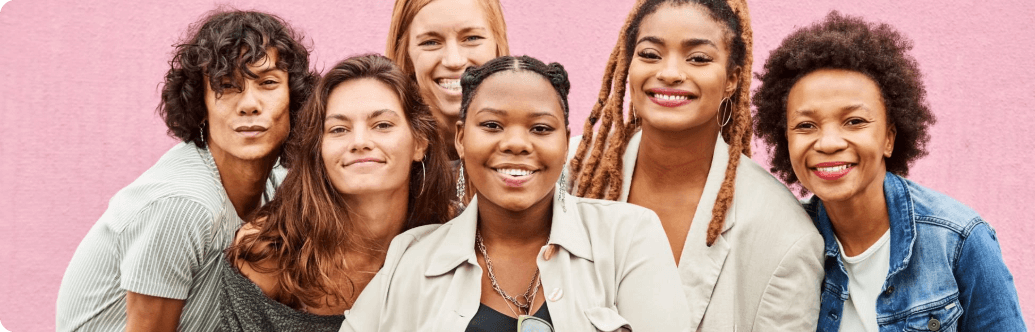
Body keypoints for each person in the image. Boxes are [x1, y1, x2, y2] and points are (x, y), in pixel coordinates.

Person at [341, 55, 689, 332]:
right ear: (461, 138)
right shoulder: (412, 258)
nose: (517, 144)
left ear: (566, 141)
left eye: (540, 128)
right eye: (492, 125)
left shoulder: (628, 238)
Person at [751, 11, 1027, 331]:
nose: (827, 142)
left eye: (854, 121)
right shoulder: (783, 243)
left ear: (889, 138)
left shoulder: (958, 240)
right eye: (805, 125)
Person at [567, 0, 824, 330]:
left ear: (731, 79)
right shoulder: (569, 177)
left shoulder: (785, 237)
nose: (670, 73)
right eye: (649, 54)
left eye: (698, 58)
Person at [55, 10, 318, 331]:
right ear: (201, 105)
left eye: (267, 83)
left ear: (293, 98)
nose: (250, 103)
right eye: (227, 85)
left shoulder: (277, 185)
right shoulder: (183, 204)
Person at [217, 54, 456, 331]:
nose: (360, 142)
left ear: (419, 142)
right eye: (339, 129)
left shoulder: (454, 236)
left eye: (382, 125)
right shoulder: (267, 255)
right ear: (318, 150)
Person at [386, 0, 510, 159]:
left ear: (498, 46)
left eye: (472, 38)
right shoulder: (383, 158)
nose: (454, 61)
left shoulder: (536, 147)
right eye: (430, 42)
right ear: (406, 55)